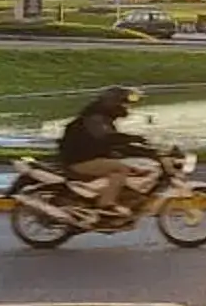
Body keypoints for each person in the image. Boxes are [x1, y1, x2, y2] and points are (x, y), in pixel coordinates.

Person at [55, 85, 161, 222]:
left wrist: (143, 149)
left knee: (134, 168)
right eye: (123, 104)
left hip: (90, 158)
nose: (126, 108)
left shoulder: (101, 118)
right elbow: (108, 138)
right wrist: (134, 139)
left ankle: (117, 198)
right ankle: (106, 204)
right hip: (79, 161)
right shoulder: (95, 118)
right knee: (120, 168)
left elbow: (112, 143)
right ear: (113, 103)